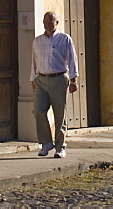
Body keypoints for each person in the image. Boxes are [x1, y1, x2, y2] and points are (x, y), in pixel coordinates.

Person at [30, 11, 79, 158]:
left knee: (60, 114)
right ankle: (46, 143)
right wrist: (33, 79)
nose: (48, 24)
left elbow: (72, 59)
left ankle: (60, 146)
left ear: (57, 23)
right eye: (45, 22)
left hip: (58, 79)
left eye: (51, 22)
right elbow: (34, 61)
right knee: (39, 111)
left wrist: (73, 80)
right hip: (41, 79)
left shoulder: (64, 39)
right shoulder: (37, 41)